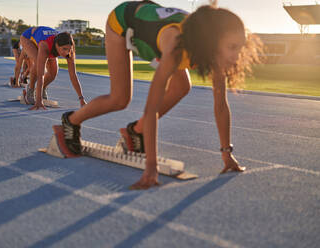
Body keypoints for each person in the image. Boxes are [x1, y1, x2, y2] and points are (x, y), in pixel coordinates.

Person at [60, 0, 261, 189]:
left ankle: (135, 132)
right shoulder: (175, 47)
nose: (236, 57)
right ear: (211, 41)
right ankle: (71, 121)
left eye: (240, 47)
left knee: (182, 87)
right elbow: (152, 107)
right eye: (232, 48)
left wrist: (227, 154)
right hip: (123, 21)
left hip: (152, 25)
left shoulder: (214, 53)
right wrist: (151, 167)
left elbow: (220, 104)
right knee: (120, 99)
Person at [20, 26, 86, 109]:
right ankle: (30, 89)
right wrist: (39, 101)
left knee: (53, 72)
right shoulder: (45, 46)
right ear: (56, 45)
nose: (66, 53)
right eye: (64, 49)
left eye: (69, 49)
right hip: (28, 38)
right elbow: (40, 75)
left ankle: (41, 89)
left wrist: (81, 99)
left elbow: (73, 74)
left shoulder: (69, 51)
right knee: (38, 64)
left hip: (46, 41)